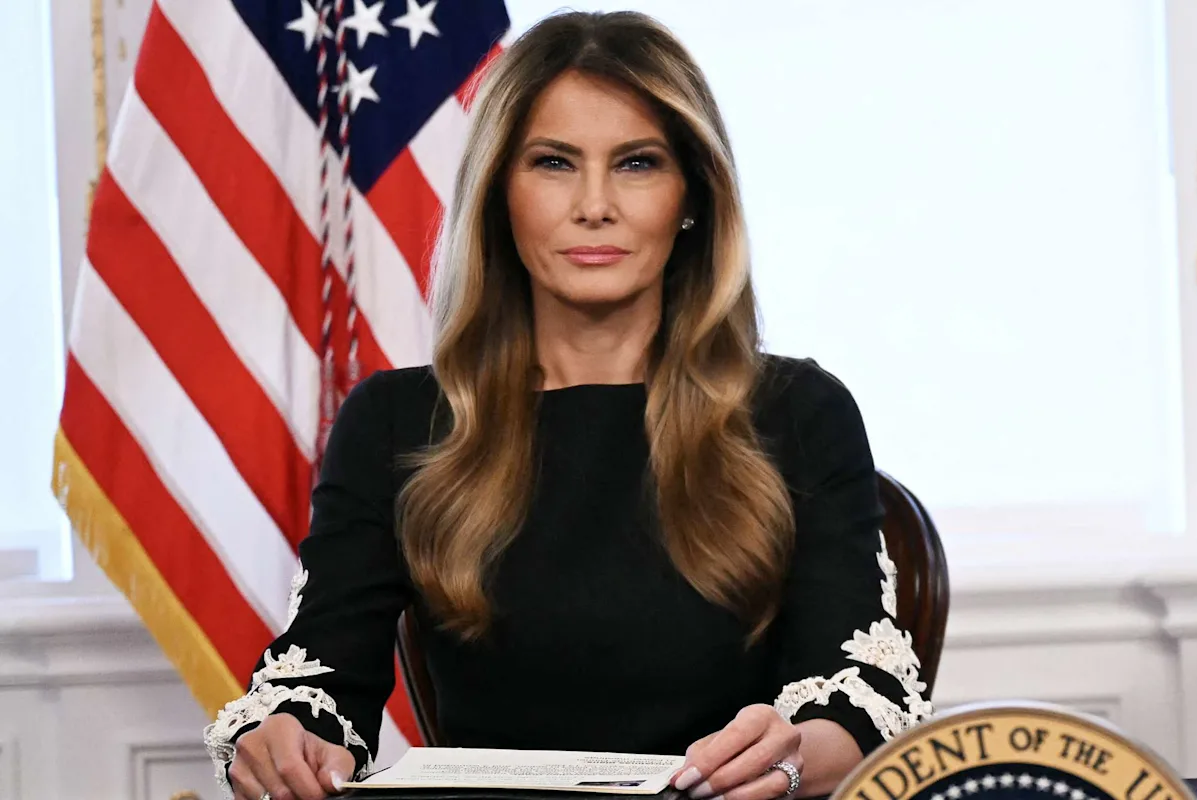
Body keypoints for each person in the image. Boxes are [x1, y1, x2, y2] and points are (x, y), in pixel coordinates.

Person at [203, 9, 934, 800]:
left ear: (692, 195)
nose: (594, 205)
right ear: (499, 192)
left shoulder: (801, 413)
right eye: (554, 162)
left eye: (637, 163)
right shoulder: (395, 423)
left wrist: (790, 758)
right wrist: (284, 737)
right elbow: (319, 683)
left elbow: (862, 699)